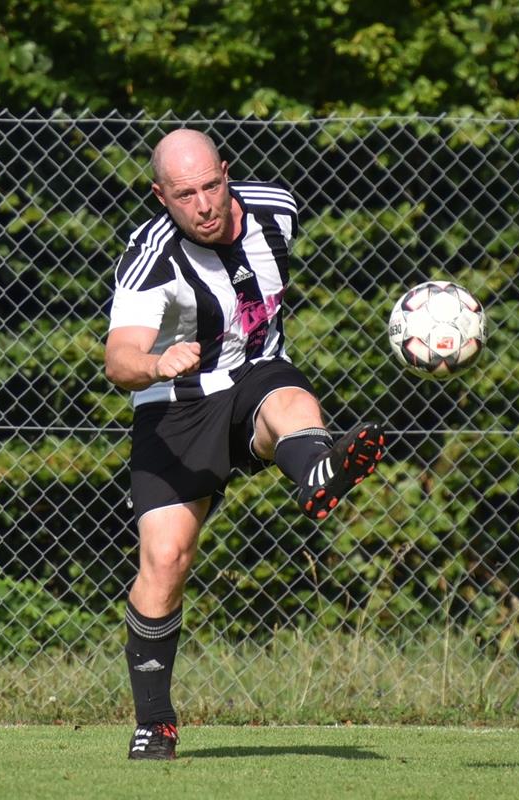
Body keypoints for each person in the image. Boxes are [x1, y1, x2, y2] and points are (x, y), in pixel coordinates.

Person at [103, 129, 384, 760]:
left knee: (285, 398)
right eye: (184, 195)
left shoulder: (275, 209)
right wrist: (155, 363)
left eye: (211, 185)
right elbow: (118, 359)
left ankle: (318, 467)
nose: (203, 204)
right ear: (161, 196)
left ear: (226, 173)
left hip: (255, 381)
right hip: (175, 409)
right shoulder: (153, 256)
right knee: (167, 559)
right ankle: (156, 721)